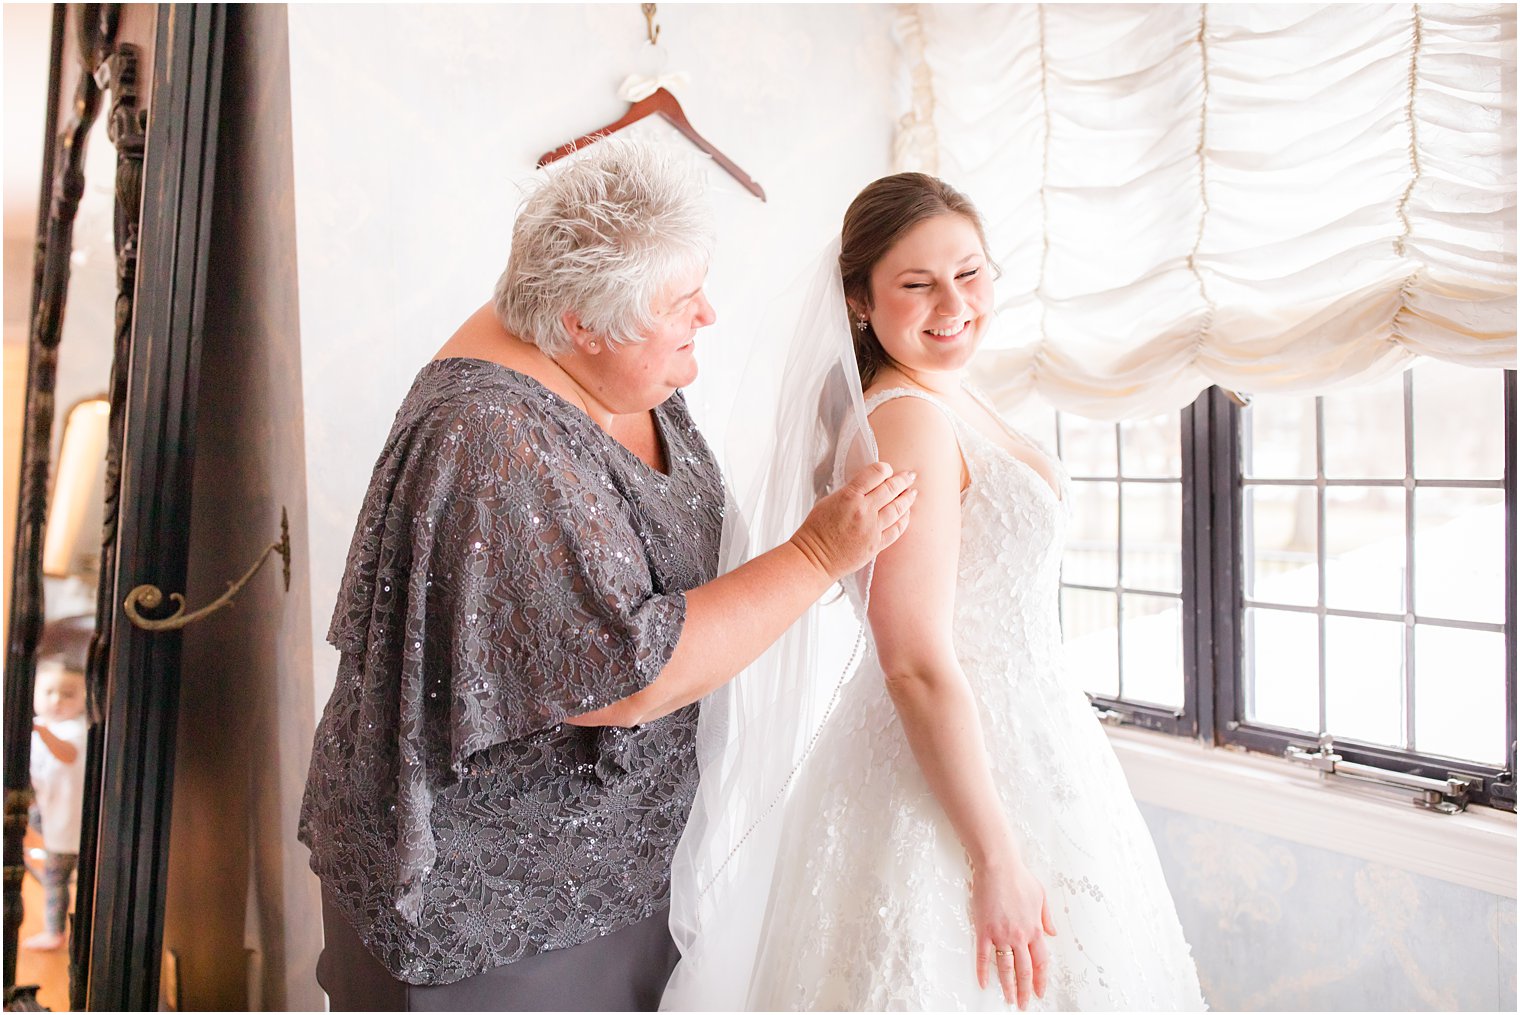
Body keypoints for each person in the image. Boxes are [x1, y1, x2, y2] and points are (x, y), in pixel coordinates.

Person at [297, 140, 916, 1011]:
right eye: (681, 301)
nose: (709, 312)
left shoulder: (618, 363)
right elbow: (628, 676)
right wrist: (816, 555)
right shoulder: (495, 439)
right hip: (498, 913)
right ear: (581, 322)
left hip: (619, 873)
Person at [663, 173, 1204, 1011]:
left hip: (1029, 735)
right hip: (951, 767)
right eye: (916, 284)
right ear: (860, 303)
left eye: (970, 272)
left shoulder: (951, 392)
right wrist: (995, 856)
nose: (953, 301)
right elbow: (913, 660)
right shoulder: (908, 418)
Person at [26, 650, 89, 951]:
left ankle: (56, 931)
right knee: (55, 877)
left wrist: (41, 731)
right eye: (48, 692)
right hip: (51, 816)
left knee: (57, 879)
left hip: (71, 823)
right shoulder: (41, 727)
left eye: (68, 694)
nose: (56, 701)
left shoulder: (78, 729)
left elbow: (68, 754)